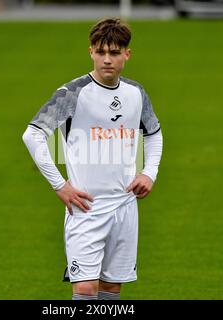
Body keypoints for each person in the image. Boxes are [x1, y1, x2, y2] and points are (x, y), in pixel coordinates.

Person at [22, 17, 163, 300]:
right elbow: (32, 135)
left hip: (124, 206)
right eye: (101, 52)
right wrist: (60, 185)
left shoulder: (136, 93)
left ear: (127, 54)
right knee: (86, 288)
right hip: (86, 208)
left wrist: (149, 173)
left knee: (111, 288)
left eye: (114, 52)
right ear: (91, 52)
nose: (107, 59)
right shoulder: (72, 93)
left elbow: (154, 133)